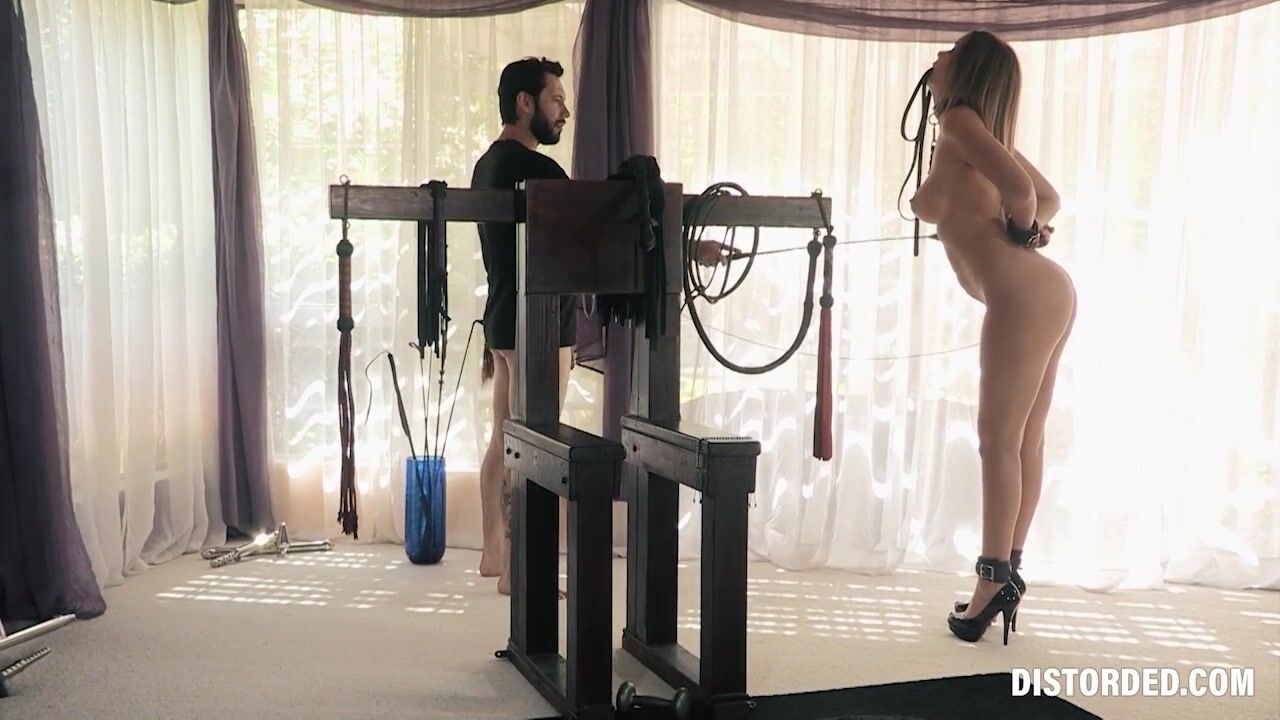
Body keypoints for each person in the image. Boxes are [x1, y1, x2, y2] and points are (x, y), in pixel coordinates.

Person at [906, 31, 1077, 644]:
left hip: (1022, 294)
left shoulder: (958, 122)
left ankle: (992, 579)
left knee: (997, 442)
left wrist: (1022, 233)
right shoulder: (975, 133)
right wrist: (1025, 232)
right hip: (1046, 290)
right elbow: (1047, 198)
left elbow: (1030, 197)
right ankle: (1008, 572)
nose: (937, 57)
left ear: (967, 70)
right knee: (1023, 440)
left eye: (949, 51)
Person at [471, 57, 578, 595]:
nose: (564, 111)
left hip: (502, 321)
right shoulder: (541, 171)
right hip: (539, 326)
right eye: (556, 99)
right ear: (524, 102)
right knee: (535, 443)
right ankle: (518, 571)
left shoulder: (486, 165)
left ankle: (494, 553)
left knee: (504, 436)